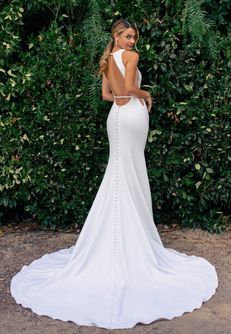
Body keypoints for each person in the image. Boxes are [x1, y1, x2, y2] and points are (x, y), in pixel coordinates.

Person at [10, 18, 218, 330]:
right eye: (128, 36)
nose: (133, 41)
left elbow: (109, 96)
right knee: (128, 174)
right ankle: (131, 242)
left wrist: (129, 91)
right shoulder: (130, 58)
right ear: (116, 36)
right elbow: (125, 91)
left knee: (121, 174)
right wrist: (145, 94)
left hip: (117, 118)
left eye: (134, 36)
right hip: (131, 114)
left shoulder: (108, 59)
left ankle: (115, 238)